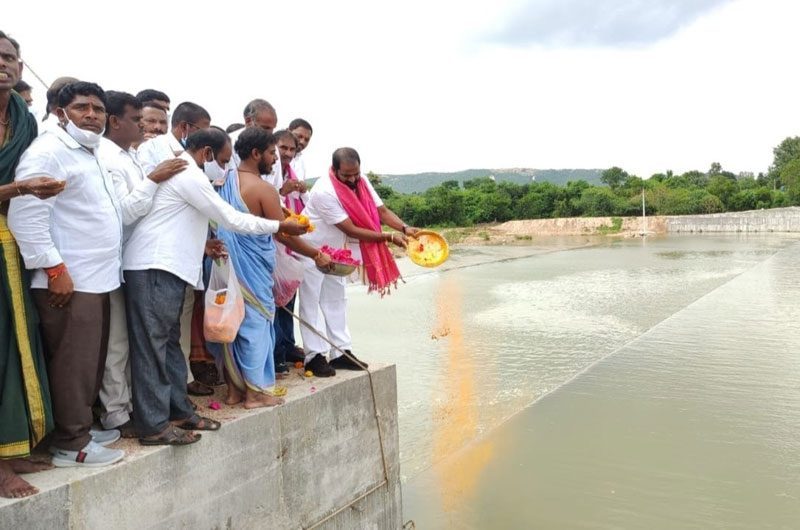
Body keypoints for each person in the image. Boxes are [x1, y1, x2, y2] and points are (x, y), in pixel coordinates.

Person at [122, 127, 308, 445]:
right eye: (223, 161)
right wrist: (279, 225)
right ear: (207, 153)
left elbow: (180, 222)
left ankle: (179, 411)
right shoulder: (189, 175)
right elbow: (230, 217)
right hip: (154, 266)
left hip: (170, 267)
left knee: (167, 346)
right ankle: (153, 426)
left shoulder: (190, 174)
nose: (225, 169)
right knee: (152, 349)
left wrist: (205, 248)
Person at [9, 81, 126, 468]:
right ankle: (70, 443)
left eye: (97, 108)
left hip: (100, 277)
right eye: (81, 108)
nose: (91, 115)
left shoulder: (93, 153)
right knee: (72, 363)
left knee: (89, 361)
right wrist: (55, 268)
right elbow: (26, 215)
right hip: (68, 279)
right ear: (61, 113)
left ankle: (82, 429)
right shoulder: (49, 151)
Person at [210, 128, 330, 407]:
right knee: (255, 326)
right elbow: (283, 234)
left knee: (229, 325)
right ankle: (255, 393)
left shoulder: (220, 181)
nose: (276, 161)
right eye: (271, 154)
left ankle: (234, 391)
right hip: (251, 270)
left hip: (223, 266)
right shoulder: (262, 189)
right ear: (256, 154)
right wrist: (315, 254)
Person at [97, 91, 187, 436]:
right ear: (115, 122)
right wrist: (154, 179)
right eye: (139, 120)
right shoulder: (108, 157)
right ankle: (117, 415)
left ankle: (137, 408)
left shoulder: (131, 155)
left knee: (137, 342)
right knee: (118, 344)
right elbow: (125, 212)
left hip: (135, 259)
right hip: (116, 259)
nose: (146, 127)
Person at [0, 29, 64, 499]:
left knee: (19, 342)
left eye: (10, 57)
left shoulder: (22, 116)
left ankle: (12, 445)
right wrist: (21, 190)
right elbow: (19, 185)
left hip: (11, 244)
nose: (4, 63)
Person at [299, 148, 418, 376]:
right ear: (335, 170)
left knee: (336, 299)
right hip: (311, 248)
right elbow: (351, 229)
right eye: (347, 176)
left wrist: (404, 228)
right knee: (311, 301)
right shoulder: (325, 191)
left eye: (356, 174)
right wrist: (389, 237)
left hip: (336, 252)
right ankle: (314, 356)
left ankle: (341, 352)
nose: (353, 179)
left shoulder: (361, 181)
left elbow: (381, 211)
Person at [136, 101, 215, 396]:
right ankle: (158, 398)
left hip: (182, 256)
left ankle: (179, 386)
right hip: (155, 256)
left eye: (160, 122)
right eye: (150, 122)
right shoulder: (150, 152)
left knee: (176, 327)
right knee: (156, 334)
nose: (155, 128)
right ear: (186, 128)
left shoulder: (184, 156)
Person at [271, 130, 309, 372]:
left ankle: (286, 346)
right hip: (274, 243)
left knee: (287, 297)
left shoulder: (293, 173)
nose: (286, 153)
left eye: (291, 149)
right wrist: (282, 191)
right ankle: (275, 354)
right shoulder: (270, 173)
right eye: (281, 148)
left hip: (289, 247)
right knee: (273, 302)